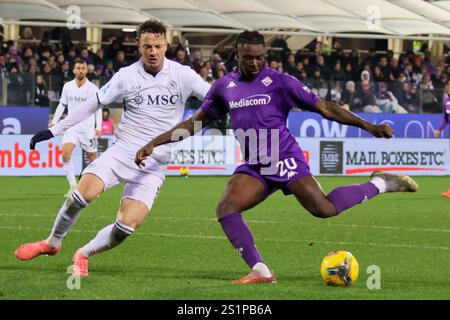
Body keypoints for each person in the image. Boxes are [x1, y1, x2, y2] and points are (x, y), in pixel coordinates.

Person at [135, 31, 419, 284]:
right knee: (226, 207)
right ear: (238, 55)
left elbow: (326, 108)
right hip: (256, 165)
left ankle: (381, 183)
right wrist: (154, 143)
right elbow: (194, 123)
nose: (255, 63)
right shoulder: (224, 87)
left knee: (324, 209)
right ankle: (260, 271)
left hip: (284, 158)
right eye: (248, 58)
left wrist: (369, 126)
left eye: (260, 58)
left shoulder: (280, 82)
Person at [15, 20, 211, 277]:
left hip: (156, 162)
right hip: (123, 152)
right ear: (139, 46)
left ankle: (83, 253)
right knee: (81, 194)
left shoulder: (182, 75)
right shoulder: (126, 76)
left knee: (126, 227)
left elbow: (214, 96)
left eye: (158, 46)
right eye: (147, 46)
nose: (153, 51)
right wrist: (55, 130)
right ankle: (52, 243)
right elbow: (93, 103)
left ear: (166, 46)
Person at [50, 59, 102, 197]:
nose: (80, 70)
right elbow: (62, 105)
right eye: (78, 68)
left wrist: (98, 127)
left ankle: (97, 186)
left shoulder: (93, 88)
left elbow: (98, 109)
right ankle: (73, 186)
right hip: (72, 126)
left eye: (83, 68)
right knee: (65, 154)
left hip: (88, 128)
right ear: (74, 70)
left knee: (93, 159)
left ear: (86, 70)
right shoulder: (67, 86)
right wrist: (55, 121)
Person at [434, 83, 450, 198]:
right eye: (447, 86)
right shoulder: (446, 101)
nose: (448, 87)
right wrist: (439, 129)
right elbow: (445, 117)